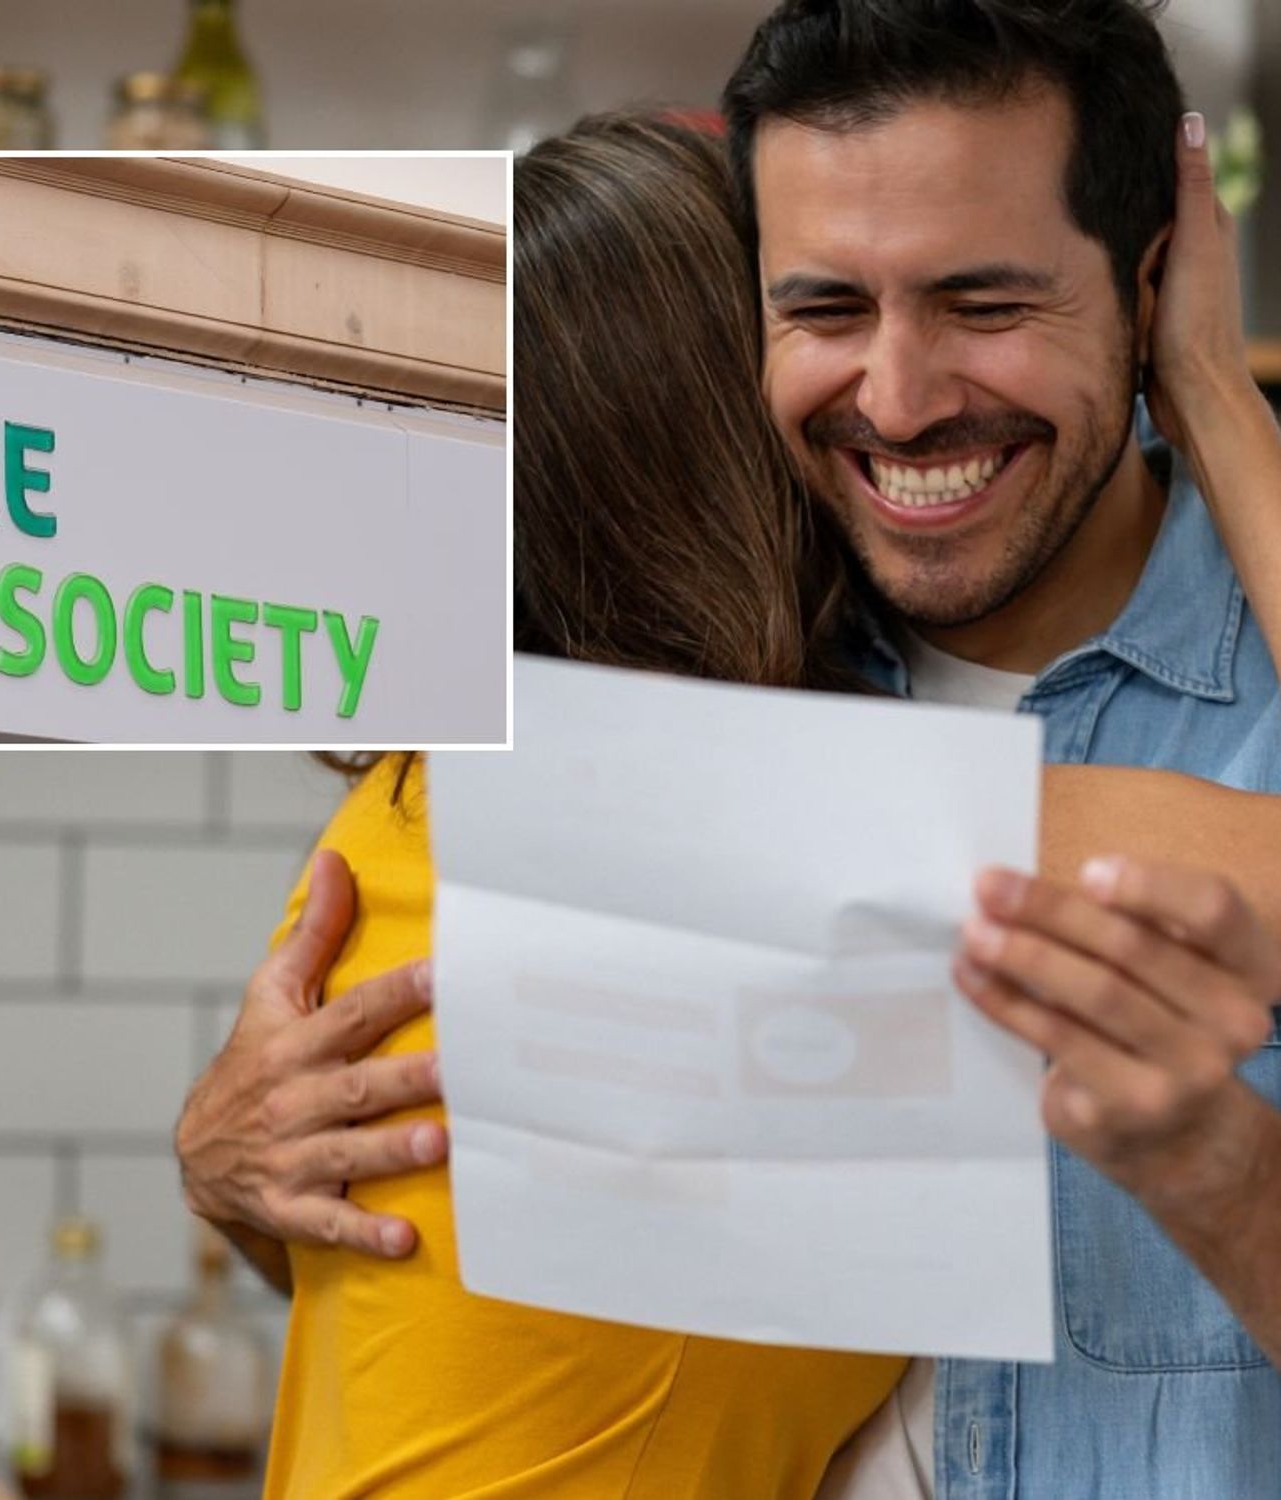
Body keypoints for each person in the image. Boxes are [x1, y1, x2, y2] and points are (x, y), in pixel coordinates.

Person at [176, 7, 1281, 1498]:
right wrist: (228, 1160)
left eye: (984, 301)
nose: (896, 399)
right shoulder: (669, 784)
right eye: (821, 311)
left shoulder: (469, 786)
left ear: (1145, 283)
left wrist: (1217, 396)